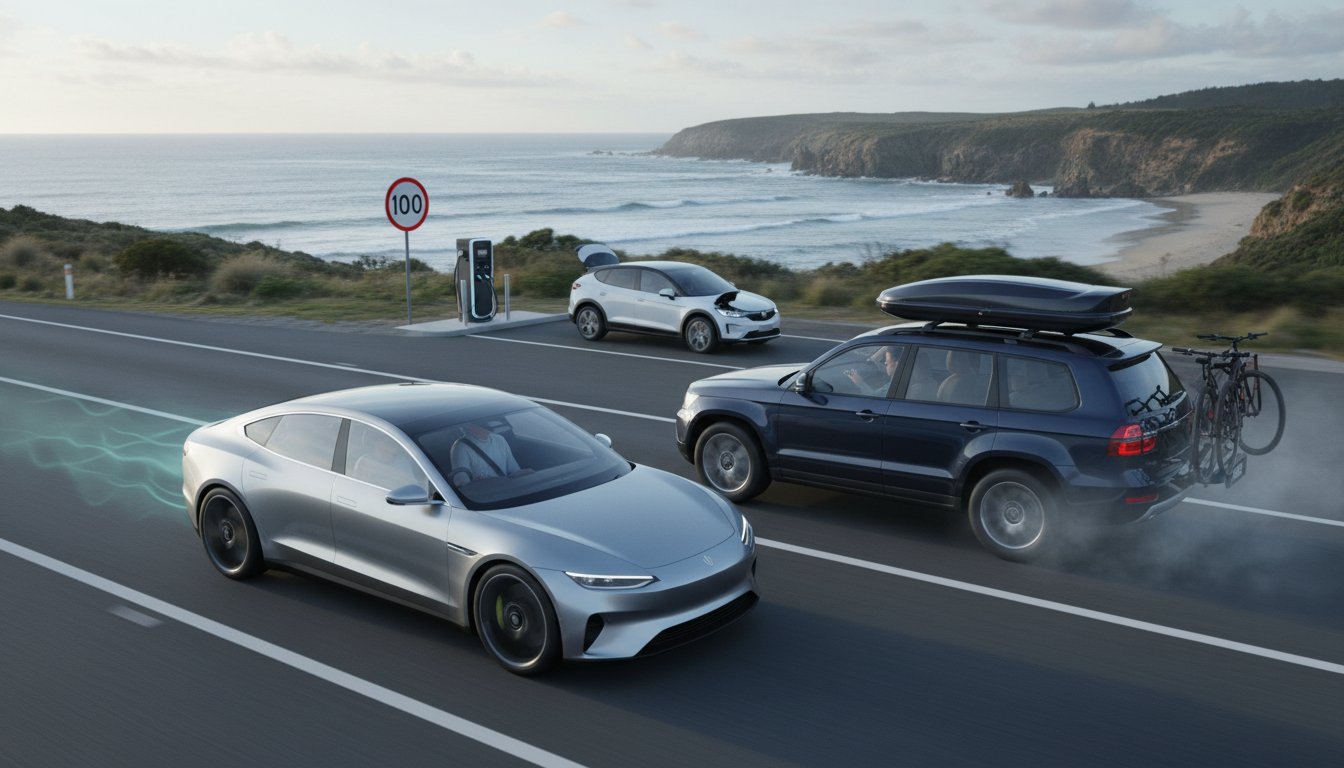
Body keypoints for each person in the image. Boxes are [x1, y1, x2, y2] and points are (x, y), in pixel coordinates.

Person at [452, 422, 522, 480]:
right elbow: (462, 483)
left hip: (507, 489)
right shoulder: (460, 447)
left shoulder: (499, 439)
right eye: (482, 425)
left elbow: (515, 470)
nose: (487, 428)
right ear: (469, 427)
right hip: (483, 493)